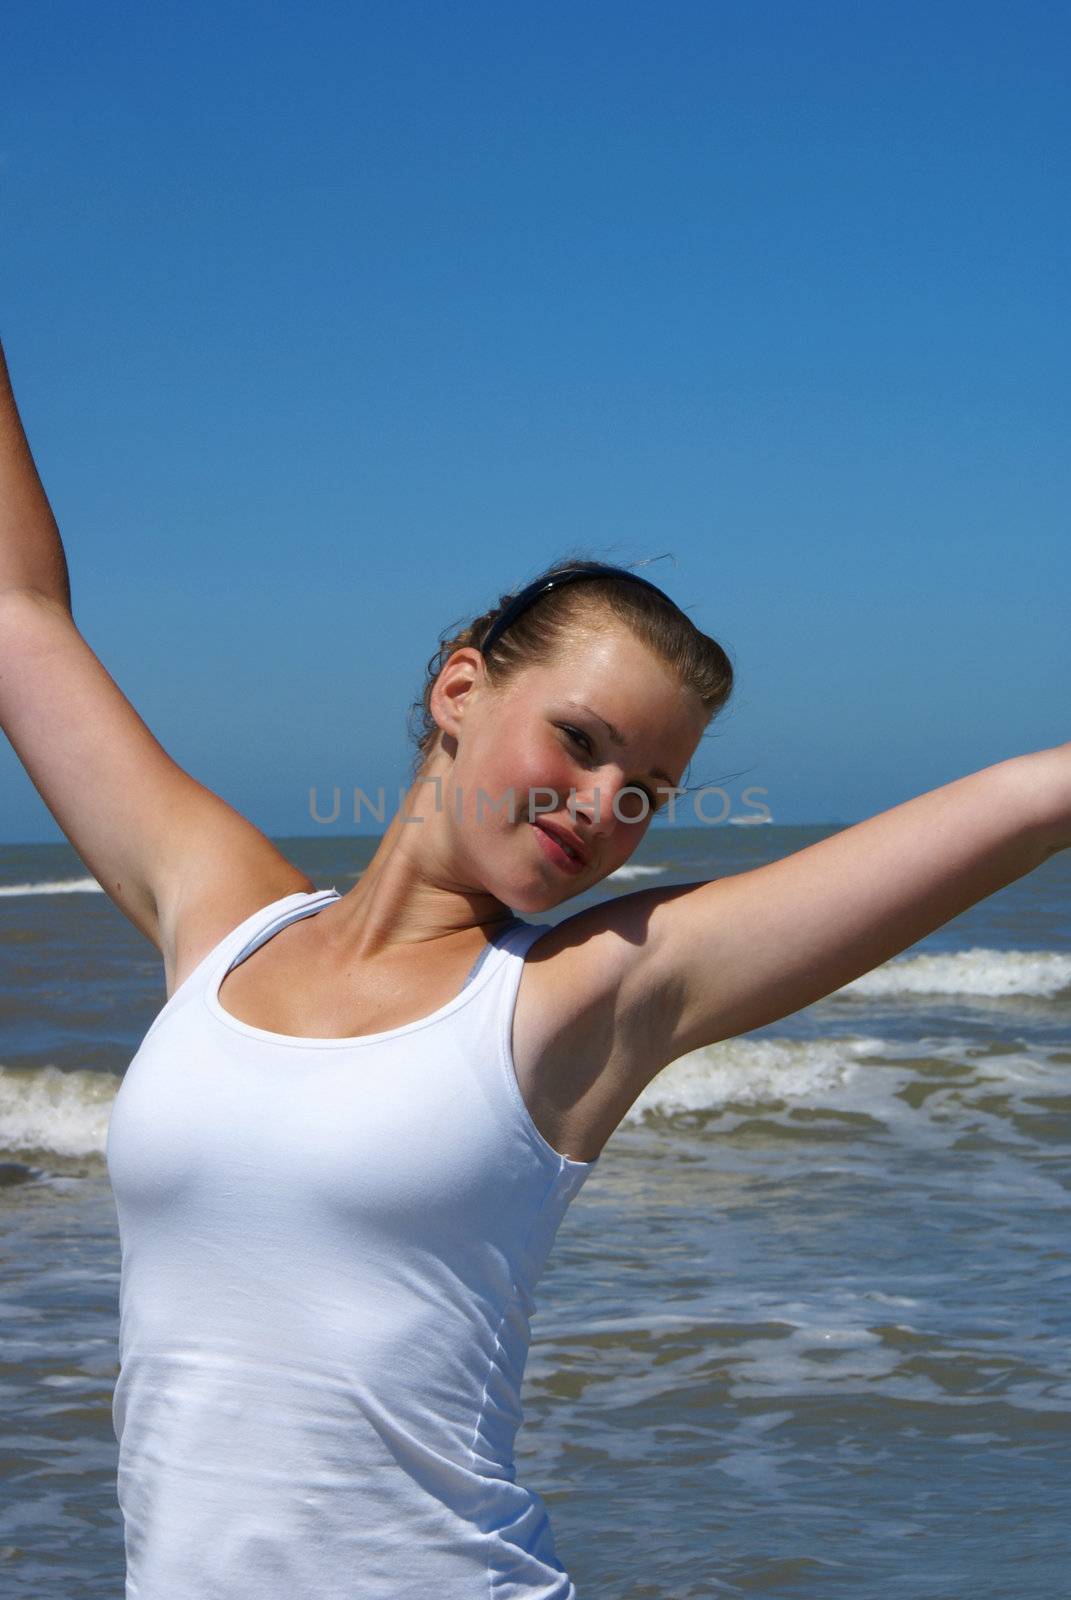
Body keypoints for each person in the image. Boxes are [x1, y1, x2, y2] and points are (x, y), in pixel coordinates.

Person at [1, 330, 1067, 1600]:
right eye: (579, 738)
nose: (604, 804)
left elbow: (1018, 801)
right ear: (461, 686)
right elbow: (20, 613)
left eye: (648, 789)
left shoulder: (577, 994)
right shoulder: (221, 914)